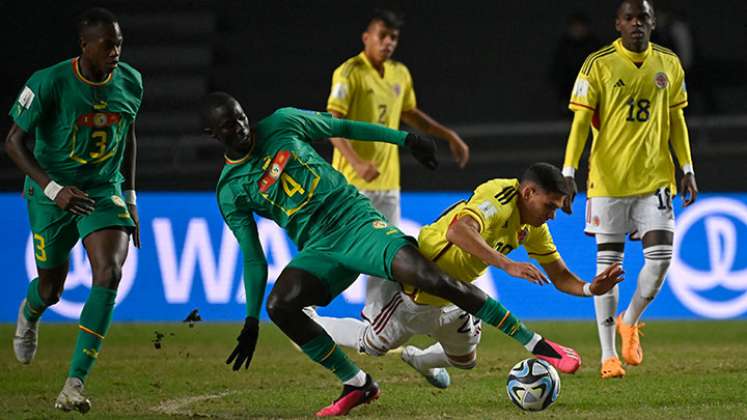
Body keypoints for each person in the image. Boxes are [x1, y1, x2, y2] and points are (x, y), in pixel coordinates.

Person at [202, 93, 580, 416]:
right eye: (230, 126)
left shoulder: (283, 123)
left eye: (241, 116)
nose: (241, 126)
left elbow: (343, 128)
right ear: (213, 135)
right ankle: (357, 383)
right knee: (280, 306)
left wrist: (404, 139)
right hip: (319, 248)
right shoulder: (231, 190)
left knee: (431, 277)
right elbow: (253, 257)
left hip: (358, 221)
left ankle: (537, 344)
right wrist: (251, 320)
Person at [308, 163, 624, 388]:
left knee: (465, 359)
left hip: (454, 295)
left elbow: (558, 275)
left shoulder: (532, 228)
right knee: (373, 345)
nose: (553, 214)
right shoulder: (499, 196)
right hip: (414, 288)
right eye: (550, 205)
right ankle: (309, 321)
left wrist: (589, 288)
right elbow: (458, 230)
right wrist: (507, 264)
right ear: (528, 193)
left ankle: (418, 360)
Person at [5, 8, 142, 413]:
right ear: (85, 46)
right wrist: (53, 188)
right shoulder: (48, 82)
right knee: (52, 289)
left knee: (110, 271)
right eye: (107, 45)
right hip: (51, 192)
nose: (115, 51)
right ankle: (30, 311)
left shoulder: (132, 82)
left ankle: (74, 383)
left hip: (102, 188)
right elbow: (12, 142)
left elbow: (128, 135)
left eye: (119, 43)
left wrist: (131, 198)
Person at [561, 0, 697, 379]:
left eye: (644, 18)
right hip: (608, 183)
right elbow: (580, 123)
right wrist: (568, 171)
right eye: (630, 18)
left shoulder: (668, 63)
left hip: (656, 180)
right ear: (618, 24)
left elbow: (676, 119)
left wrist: (686, 168)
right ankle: (608, 357)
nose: (637, 24)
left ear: (653, 23)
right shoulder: (598, 64)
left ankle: (630, 321)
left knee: (660, 262)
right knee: (609, 269)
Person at [327, 9, 470, 323]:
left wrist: (449, 136)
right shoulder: (349, 73)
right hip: (353, 184)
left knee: (388, 256)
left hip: (388, 185)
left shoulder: (399, 74)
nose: (388, 42)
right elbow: (331, 124)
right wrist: (357, 162)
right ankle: (304, 305)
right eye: (382, 36)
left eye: (393, 38)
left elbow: (411, 114)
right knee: (346, 254)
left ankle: (374, 317)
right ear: (367, 37)